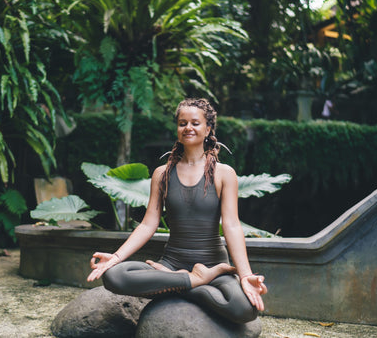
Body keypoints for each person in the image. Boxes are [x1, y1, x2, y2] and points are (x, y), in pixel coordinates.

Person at [86, 98, 268, 324]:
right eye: (182, 123)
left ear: (208, 128)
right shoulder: (162, 174)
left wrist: (245, 275)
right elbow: (147, 224)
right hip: (170, 264)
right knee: (114, 276)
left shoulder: (224, 173)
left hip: (213, 266)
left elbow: (231, 225)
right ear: (177, 128)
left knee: (244, 309)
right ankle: (193, 281)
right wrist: (115, 257)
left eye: (195, 123)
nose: (188, 128)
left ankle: (186, 282)